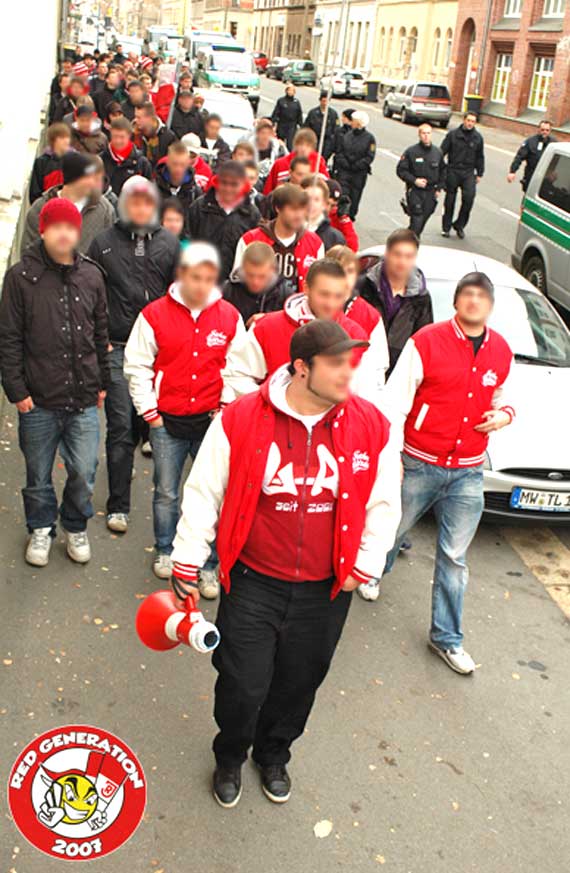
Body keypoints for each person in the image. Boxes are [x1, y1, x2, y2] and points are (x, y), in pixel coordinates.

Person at [170, 318, 401, 807]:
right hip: (254, 582)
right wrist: (187, 558)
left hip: (326, 589)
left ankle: (273, 755)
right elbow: (205, 490)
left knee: (299, 683)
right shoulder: (241, 418)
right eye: (336, 364)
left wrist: (366, 561)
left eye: (351, 363)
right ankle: (230, 754)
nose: (347, 374)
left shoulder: (370, 424)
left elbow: (384, 500)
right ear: (301, 368)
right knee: (241, 684)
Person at [378, 273, 515, 671]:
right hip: (420, 461)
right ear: (456, 302)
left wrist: (504, 415)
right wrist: (394, 459)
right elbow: (395, 402)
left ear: (490, 305)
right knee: (392, 531)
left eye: (481, 296)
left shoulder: (501, 350)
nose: (474, 301)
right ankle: (373, 570)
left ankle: (446, 639)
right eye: (467, 295)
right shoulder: (427, 342)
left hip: (469, 471)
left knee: (454, 557)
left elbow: (505, 394)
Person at [125, 242, 244, 588]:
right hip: (167, 422)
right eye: (196, 277)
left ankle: (209, 563)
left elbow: (238, 367)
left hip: (211, 423)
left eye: (209, 278)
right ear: (182, 276)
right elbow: (137, 365)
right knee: (166, 491)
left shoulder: (229, 317)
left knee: (215, 494)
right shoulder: (153, 315)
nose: (202, 285)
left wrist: (225, 410)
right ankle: (165, 549)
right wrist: (150, 413)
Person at [0, 198, 109, 568]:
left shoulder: (92, 275)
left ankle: (74, 524)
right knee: (38, 473)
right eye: (57, 226)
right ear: (43, 229)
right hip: (39, 399)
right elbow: (10, 337)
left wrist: (103, 382)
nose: (64, 233)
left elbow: (100, 332)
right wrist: (17, 391)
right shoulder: (20, 278)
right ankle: (41, 527)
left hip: (82, 398)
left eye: (71, 227)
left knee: (84, 470)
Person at [87, 176, 179, 533]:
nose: (140, 209)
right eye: (133, 202)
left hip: (159, 350)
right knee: (120, 425)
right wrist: (99, 340)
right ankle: (118, 505)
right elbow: (90, 289)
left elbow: (181, 291)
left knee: (147, 423)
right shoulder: (104, 243)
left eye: (146, 202)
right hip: (118, 347)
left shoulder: (168, 244)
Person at [222, 259, 385, 405]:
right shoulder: (267, 327)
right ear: (307, 288)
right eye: (324, 294)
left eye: (338, 296)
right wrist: (270, 404)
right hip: (274, 431)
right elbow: (236, 374)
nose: (331, 303)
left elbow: (368, 396)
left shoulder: (357, 336)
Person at [233, 184, 323, 296]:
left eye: (302, 210)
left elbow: (318, 286)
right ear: (278, 208)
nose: (299, 215)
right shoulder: (250, 240)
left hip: (297, 310)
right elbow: (238, 284)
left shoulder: (315, 243)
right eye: (293, 209)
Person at [23, 152, 114, 254]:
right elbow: (29, 253)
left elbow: (107, 254)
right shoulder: (40, 208)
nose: (96, 182)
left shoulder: (105, 210)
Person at [187, 161, 261, 282]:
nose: (228, 189)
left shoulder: (251, 214)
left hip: (236, 284)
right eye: (224, 183)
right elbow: (188, 240)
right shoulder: (199, 207)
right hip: (202, 279)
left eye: (233, 185)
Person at [397, 123, 445, 238]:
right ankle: (411, 243)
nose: (426, 136)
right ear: (419, 135)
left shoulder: (437, 152)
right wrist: (414, 180)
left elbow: (443, 171)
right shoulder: (411, 152)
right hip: (415, 191)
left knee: (423, 219)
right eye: (423, 133)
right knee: (417, 218)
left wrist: (439, 188)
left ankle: (406, 238)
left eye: (428, 133)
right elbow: (401, 170)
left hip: (430, 191)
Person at [223, 240, 289, 325]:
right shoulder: (227, 291)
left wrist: (268, 321)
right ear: (242, 268)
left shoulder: (285, 295)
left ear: (272, 270)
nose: (255, 282)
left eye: (262, 276)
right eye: (250, 275)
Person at [441, 111, 485, 239]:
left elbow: (480, 156)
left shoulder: (478, 138)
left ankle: (459, 225)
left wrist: (480, 173)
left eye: (473, 121)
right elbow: (441, 152)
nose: (470, 123)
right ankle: (446, 227)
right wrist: (442, 171)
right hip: (453, 170)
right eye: (468, 120)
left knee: (469, 199)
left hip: (468, 172)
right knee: (450, 200)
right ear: (464, 120)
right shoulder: (453, 135)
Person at [333, 110, 376, 220]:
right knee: (343, 194)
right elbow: (340, 151)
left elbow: (369, 156)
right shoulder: (347, 135)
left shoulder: (370, 138)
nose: (351, 123)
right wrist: (344, 163)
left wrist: (357, 165)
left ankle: (351, 216)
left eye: (354, 121)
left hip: (359, 174)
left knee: (355, 196)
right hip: (345, 171)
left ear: (359, 123)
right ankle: (342, 214)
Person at [154, 141, 201, 235]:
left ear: (188, 163)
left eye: (182, 165)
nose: (178, 169)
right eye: (175, 164)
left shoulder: (194, 192)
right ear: (168, 162)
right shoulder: (153, 189)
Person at [263, 129, 329, 193]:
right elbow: (268, 191)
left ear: (313, 148)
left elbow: (327, 189)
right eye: (300, 144)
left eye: (307, 146)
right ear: (295, 145)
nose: (303, 149)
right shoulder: (280, 164)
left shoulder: (318, 163)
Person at [101, 117, 152, 195]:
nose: (118, 141)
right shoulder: (101, 160)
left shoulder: (141, 162)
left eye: (122, 137)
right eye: (115, 136)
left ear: (129, 136)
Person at [507, 119, 557, 193]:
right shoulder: (531, 142)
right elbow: (519, 157)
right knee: (528, 196)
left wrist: (553, 172)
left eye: (547, 130)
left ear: (550, 131)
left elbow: (557, 159)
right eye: (542, 130)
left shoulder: (554, 143)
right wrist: (512, 171)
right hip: (531, 174)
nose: (545, 132)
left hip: (545, 177)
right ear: (538, 129)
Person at [29, 123, 71, 204]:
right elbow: (35, 192)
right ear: (53, 140)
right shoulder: (41, 162)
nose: (66, 141)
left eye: (67, 137)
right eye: (62, 138)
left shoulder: (74, 161)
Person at [301, 176, 346, 249]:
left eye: (316, 200)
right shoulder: (286, 229)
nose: (311, 203)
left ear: (324, 204)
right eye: (307, 197)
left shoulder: (335, 239)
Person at [247, 118, 288, 190]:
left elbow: (287, 160)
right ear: (257, 133)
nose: (265, 136)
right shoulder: (249, 146)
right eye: (263, 133)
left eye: (268, 133)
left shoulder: (278, 147)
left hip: (272, 177)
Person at [134, 102, 176, 168]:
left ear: (150, 118)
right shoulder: (133, 134)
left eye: (139, 117)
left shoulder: (168, 137)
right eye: (135, 116)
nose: (136, 120)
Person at [325, 179, 359, 251]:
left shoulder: (338, 216)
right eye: (327, 203)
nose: (328, 209)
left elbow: (352, 248)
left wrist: (343, 218)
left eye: (333, 205)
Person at [304, 93, 339, 160]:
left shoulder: (333, 113)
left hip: (327, 141)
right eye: (323, 101)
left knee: (323, 158)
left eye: (327, 101)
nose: (325, 103)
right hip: (315, 139)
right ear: (320, 101)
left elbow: (336, 128)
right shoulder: (313, 113)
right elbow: (306, 126)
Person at [271, 84, 303, 150]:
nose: (290, 92)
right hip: (282, 124)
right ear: (286, 91)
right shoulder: (281, 101)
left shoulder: (296, 102)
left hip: (292, 125)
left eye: (292, 90)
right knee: (280, 143)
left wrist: (301, 125)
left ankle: (289, 156)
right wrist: (274, 122)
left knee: (290, 144)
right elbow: (276, 112)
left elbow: (299, 114)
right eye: (289, 90)